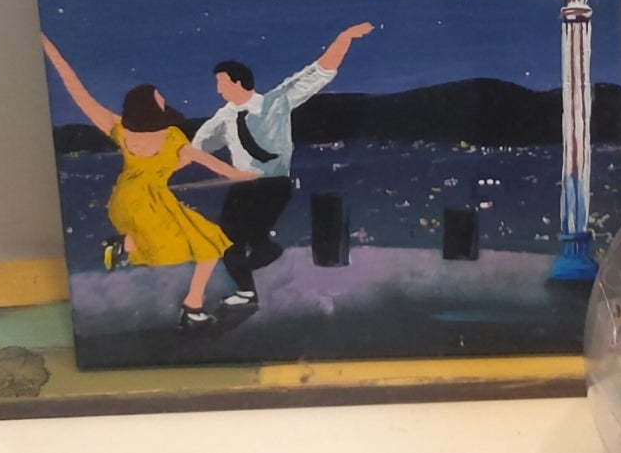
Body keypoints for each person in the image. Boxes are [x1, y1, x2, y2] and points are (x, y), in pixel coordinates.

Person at [41, 34, 255, 329]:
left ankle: (190, 303)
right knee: (204, 245)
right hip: (150, 204)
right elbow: (211, 163)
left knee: (207, 243)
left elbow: (77, 91)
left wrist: (50, 49)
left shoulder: (119, 129)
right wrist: (246, 176)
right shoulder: (172, 138)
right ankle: (131, 248)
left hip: (125, 201)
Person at [192, 21, 374, 309]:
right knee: (228, 242)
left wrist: (344, 38)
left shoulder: (276, 102)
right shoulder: (224, 117)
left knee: (247, 239)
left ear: (237, 83)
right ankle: (247, 289)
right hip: (241, 186)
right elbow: (196, 147)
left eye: (221, 83)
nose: (218, 90)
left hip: (272, 185)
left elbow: (319, 71)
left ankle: (262, 255)